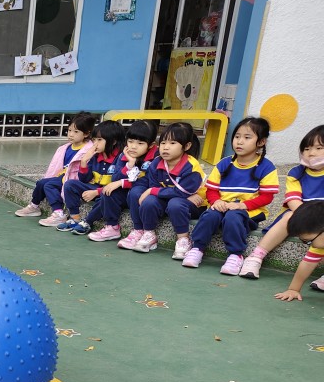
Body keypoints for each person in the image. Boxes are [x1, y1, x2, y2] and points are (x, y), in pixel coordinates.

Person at [181, 117, 277, 274]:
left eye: (247, 137)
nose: (239, 141)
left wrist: (241, 205)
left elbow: (267, 197)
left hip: (248, 212)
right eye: (237, 136)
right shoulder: (224, 163)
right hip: (223, 207)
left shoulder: (266, 167)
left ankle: (235, 254)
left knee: (233, 217)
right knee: (209, 215)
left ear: (261, 142)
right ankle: (197, 248)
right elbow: (211, 190)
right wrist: (216, 201)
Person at [240, 124, 324, 280]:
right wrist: (310, 220)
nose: (311, 153)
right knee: (289, 216)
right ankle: (256, 256)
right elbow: (293, 201)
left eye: (319, 148)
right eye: (306, 149)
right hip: (300, 215)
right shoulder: (296, 173)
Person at [118, 122, 207, 254]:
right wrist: (152, 191)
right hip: (170, 199)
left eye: (172, 143)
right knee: (149, 201)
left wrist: (152, 191)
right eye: (163, 142)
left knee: (175, 203)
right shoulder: (157, 162)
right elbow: (154, 186)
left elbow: (182, 192)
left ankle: (183, 239)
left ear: (187, 146)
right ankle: (149, 234)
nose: (166, 147)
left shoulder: (191, 166)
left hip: (193, 203)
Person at [13, 111, 96, 225]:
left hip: (73, 180)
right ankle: (34, 206)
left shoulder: (89, 150)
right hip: (61, 177)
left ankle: (58, 213)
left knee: (49, 185)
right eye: (69, 130)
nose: (71, 134)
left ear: (86, 134)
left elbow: (86, 173)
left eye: (76, 132)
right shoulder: (65, 148)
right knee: (41, 183)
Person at [82, 120, 158, 242]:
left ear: (150, 145)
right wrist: (129, 164)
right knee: (108, 191)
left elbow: (149, 181)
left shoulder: (156, 157)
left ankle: (138, 229)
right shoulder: (124, 154)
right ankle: (112, 227)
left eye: (140, 143)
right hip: (126, 194)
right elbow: (115, 178)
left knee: (135, 191)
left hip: (144, 194)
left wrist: (122, 183)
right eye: (130, 141)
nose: (133, 146)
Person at [57, 119, 126, 233]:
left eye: (99, 140)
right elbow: (84, 179)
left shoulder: (120, 158)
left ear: (113, 141)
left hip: (111, 192)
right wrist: (84, 161)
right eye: (94, 140)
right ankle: (75, 218)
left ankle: (88, 222)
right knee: (70, 184)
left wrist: (96, 192)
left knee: (106, 197)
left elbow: (116, 184)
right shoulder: (96, 156)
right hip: (95, 188)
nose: (95, 144)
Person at [273, 201, 324, 301]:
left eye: (308, 241)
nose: (309, 245)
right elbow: (308, 263)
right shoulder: (319, 243)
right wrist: (293, 289)